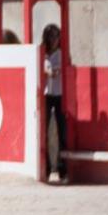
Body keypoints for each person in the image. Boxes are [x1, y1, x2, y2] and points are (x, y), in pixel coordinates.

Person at [41, 23, 67, 182]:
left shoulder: (61, 54)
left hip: (59, 95)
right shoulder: (42, 54)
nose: (53, 40)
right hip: (46, 95)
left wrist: (51, 72)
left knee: (61, 132)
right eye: (50, 36)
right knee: (44, 132)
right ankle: (47, 167)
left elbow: (58, 72)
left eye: (56, 36)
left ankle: (61, 167)